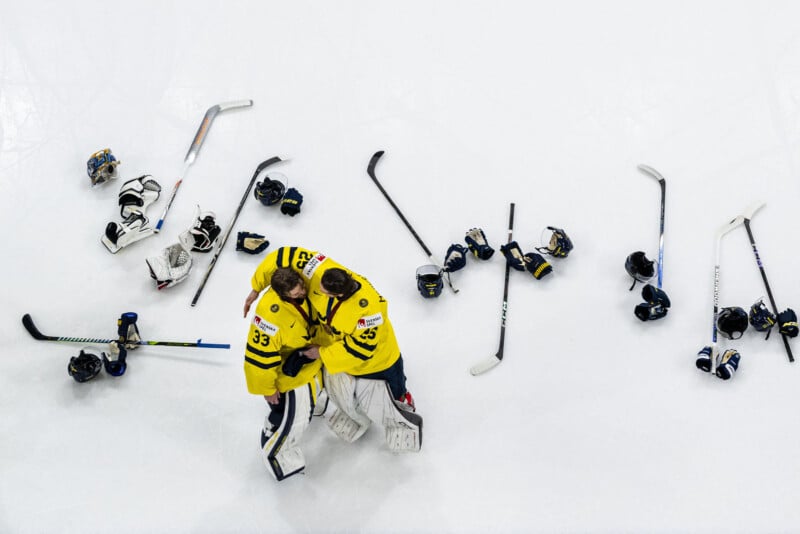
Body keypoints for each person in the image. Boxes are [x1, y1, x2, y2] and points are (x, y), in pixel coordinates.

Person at [303, 267, 422, 452]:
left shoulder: (367, 313)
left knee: (394, 391)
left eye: (325, 291)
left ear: (340, 293)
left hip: (381, 361)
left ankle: (403, 410)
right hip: (355, 363)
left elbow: (361, 349)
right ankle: (358, 415)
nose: (320, 290)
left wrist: (323, 353)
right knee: (355, 392)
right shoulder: (346, 279)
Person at [243, 267, 324, 481]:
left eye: (302, 288)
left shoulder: (303, 287)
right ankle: (275, 443)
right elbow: (258, 357)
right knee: (289, 413)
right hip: (284, 371)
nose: (303, 294)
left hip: (308, 358)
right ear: (283, 295)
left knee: (314, 394)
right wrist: (266, 389)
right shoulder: (269, 319)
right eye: (297, 295)